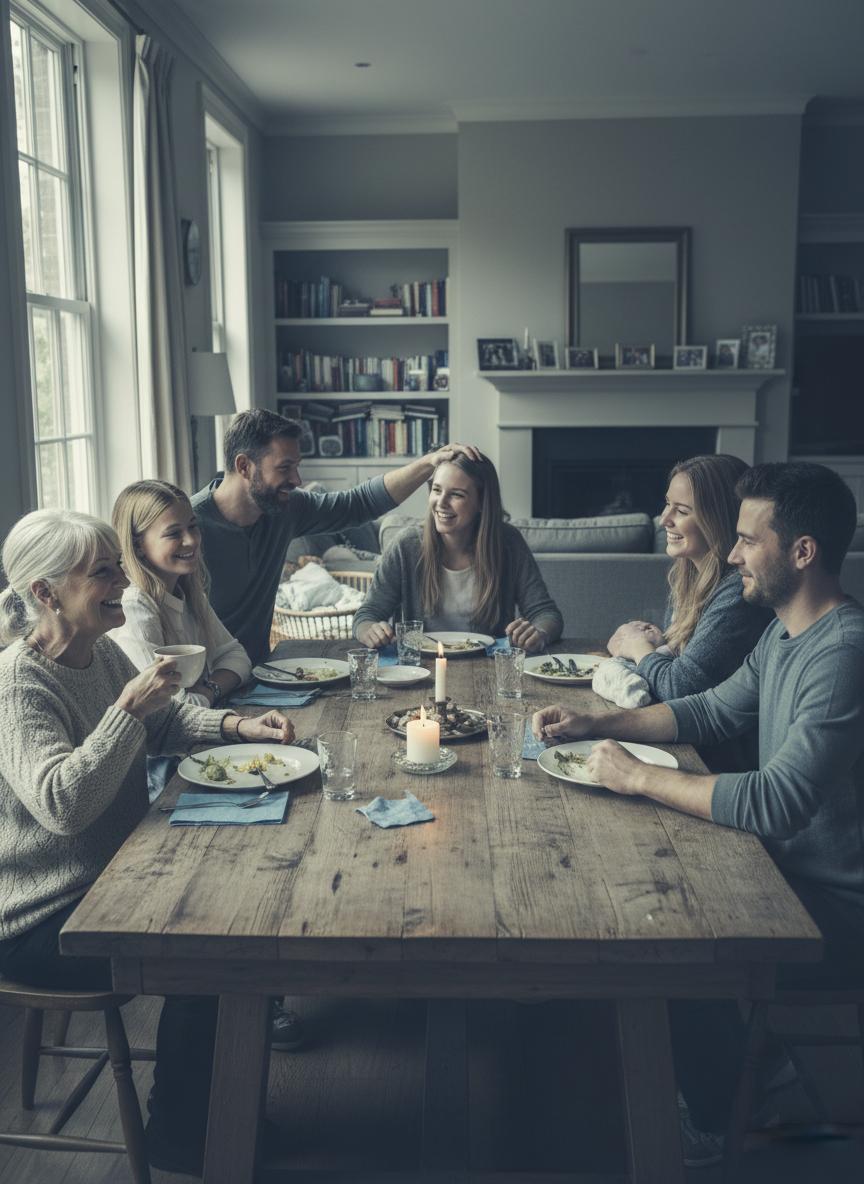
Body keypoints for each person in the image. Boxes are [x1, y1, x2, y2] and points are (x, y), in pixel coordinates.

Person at [532, 461, 864, 1166]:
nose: (734, 554)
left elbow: (777, 799)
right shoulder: (783, 633)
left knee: (667, 934)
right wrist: (601, 721)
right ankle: (736, 1064)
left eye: (748, 540)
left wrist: (634, 779)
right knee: (639, 888)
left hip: (835, 903)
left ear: (802, 552)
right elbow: (709, 710)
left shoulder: (844, 652)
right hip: (787, 867)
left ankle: (722, 1124)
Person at [0, 509, 295, 1175]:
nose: (119, 580)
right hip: (43, 918)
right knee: (208, 954)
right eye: (101, 570)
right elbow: (62, 805)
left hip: (114, 882)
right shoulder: (18, 685)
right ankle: (183, 1131)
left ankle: (219, 1109)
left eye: (116, 564)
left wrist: (238, 726)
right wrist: (124, 712)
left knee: (242, 905)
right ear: (46, 594)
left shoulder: (98, 649)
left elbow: (159, 721)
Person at [191, 408, 480, 665]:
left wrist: (429, 462)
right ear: (244, 466)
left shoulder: (286, 508)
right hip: (204, 688)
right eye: (284, 468)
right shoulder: (188, 527)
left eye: (296, 466)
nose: (297, 480)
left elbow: (358, 503)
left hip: (259, 677)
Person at [605, 455, 773, 767]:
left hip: (717, 759)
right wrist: (655, 646)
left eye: (681, 511)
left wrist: (639, 648)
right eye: (667, 504)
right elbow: (683, 661)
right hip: (687, 740)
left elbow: (679, 687)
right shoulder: (690, 574)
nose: (663, 519)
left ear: (719, 519)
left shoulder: (738, 592)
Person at [353, 453, 563, 651]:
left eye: (456, 494)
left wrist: (539, 633)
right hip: (420, 668)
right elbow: (366, 615)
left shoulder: (508, 543)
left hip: (486, 666)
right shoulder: (406, 545)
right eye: (436, 490)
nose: (441, 503)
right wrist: (370, 631)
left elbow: (546, 614)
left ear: (481, 502)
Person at [110, 480, 251, 706]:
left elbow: (237, 657)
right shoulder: (135, 606)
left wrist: (209, 690)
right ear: (138, 546)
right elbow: (168, 707)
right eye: (174, 533)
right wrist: (207, 692)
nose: (191, 540)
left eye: (193, 526)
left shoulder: (188, 593)